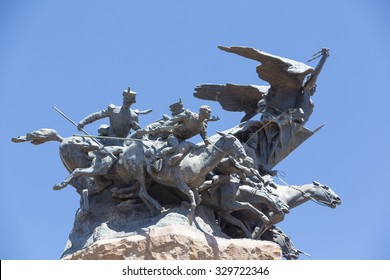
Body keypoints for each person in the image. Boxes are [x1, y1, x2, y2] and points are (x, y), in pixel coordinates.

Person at [77, 87, 152, 145]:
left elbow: (137, 131)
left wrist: (136, 127)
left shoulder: (133, 116)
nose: (126, 103)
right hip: (111, 138)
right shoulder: (113, 110)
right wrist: (82, 123)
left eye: (129, 102)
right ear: (123, 100)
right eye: (125, 101)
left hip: (125, 141)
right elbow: (96, 116)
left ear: (132, 102)